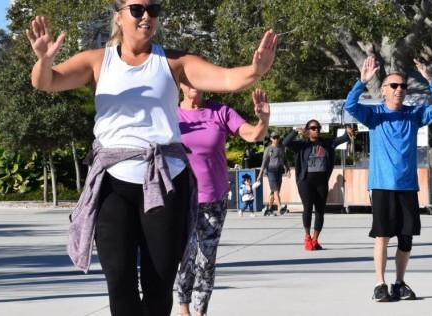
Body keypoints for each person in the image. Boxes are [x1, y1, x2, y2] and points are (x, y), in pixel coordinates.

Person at [26, 0, 278, 314]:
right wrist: (43, 61)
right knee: (119, 284)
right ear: (118, 15)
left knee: (159, 289)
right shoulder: (97, 61)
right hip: (112, 186)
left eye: (153, 10)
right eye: (137, 9)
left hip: (166, 182)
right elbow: (45, 82)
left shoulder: (173, 62)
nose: (146, 15)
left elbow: (227, 79)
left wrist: (256, 70)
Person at [346, 56, 432, 302]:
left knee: (406, 238)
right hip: (382, 185)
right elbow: (350, 106)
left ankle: (399, 283)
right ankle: (380, 284)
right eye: (394, 86)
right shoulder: (375, 115)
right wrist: (361, 82)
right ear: (383, 91)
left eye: (403, 86)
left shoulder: (414, 114)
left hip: (407, 185)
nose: (399, 90)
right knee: (382, 235)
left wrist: (431, 81)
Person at [174, 84, 270, 316]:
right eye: (187, 79)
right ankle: (183, 308)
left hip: (213, 198)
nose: (193, 85)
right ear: (179, 84)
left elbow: (253, 135)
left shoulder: (221, 112)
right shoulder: (170, 115)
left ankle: (200, 311)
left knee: (206, 259)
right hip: (180, 198)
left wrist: (263, 120)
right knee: (184, 257)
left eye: (198, 79)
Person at [282, 120, 353, 251]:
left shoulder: (326, 143)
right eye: (313, 128)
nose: (316, 130)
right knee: (308, 208)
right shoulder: (302, 145)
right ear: (308, 130)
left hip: (321, 181)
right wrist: (294, 132)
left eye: (318, 128)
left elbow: (342, 139)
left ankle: (315, 240)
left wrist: (348, 132)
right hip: (305, 181)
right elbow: (285, 143)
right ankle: (307, 237)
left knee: (320, 211)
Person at [257, 131, 290, 216]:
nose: (276, 139)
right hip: (270, 171)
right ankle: (280, 208)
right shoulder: (268, 149)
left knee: (274, 191)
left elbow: (285, 159)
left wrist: (288, 169)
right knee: (275, 190)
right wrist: (260, 174)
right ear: (271, 139)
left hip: (279, 170)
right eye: (274, 138)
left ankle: (268, 209)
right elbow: (264, 162)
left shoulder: (282, 148)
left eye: (277, 137)